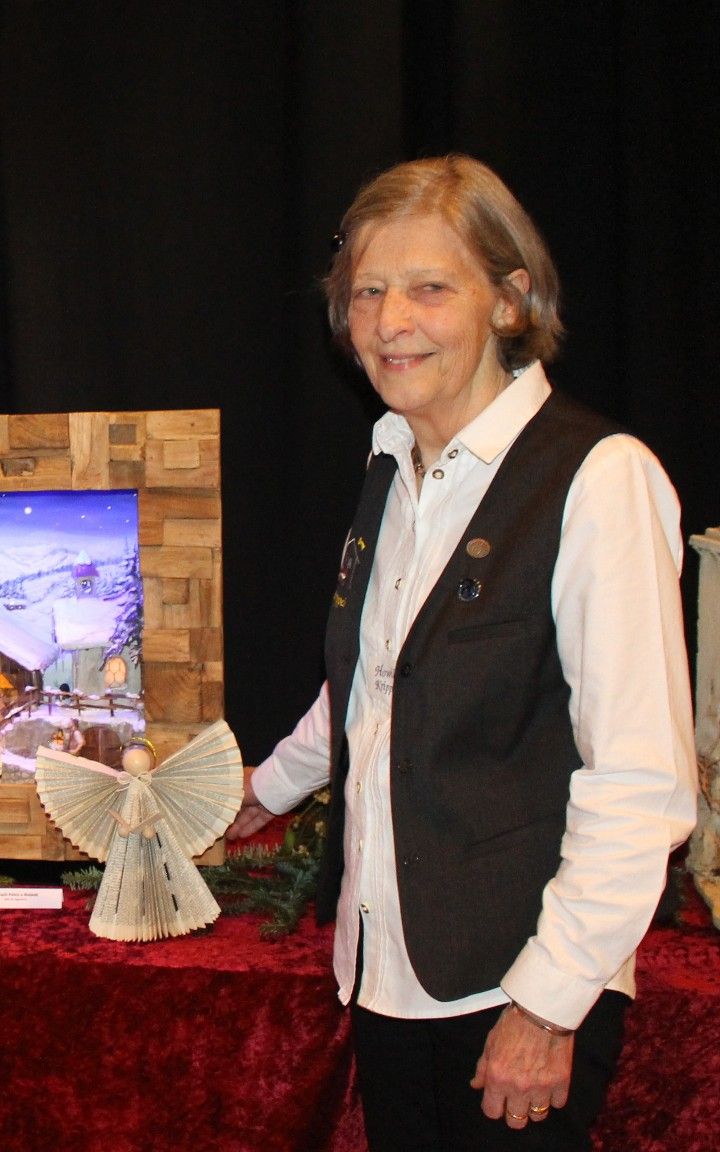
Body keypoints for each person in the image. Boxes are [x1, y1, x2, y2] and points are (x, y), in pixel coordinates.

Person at [226, 155, 696, 1149]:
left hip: (516, 983)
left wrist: (548, 1003)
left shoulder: (599, 479)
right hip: (394, 971)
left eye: (431, 287)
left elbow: (642, 778)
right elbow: (371, 685)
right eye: (367, 291)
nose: (391, 321)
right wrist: (259, 793)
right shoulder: (393, 464)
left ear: (510, 301)